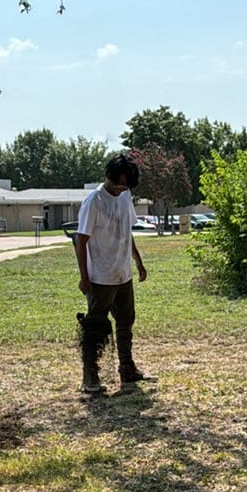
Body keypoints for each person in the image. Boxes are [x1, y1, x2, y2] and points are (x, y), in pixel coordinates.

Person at [75, 152, 151, 397]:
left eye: (125, 186)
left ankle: (127, 368)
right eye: (118, 184)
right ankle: (90, 377)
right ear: (108, 176)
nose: (121, 189)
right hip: (100, 278)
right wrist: (84, 277)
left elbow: (126, 233)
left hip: (122, 274)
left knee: (126, 322)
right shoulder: (94, 200)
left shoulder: (125, 196)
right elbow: (81, 240)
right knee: (95, 327)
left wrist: (138, 262)